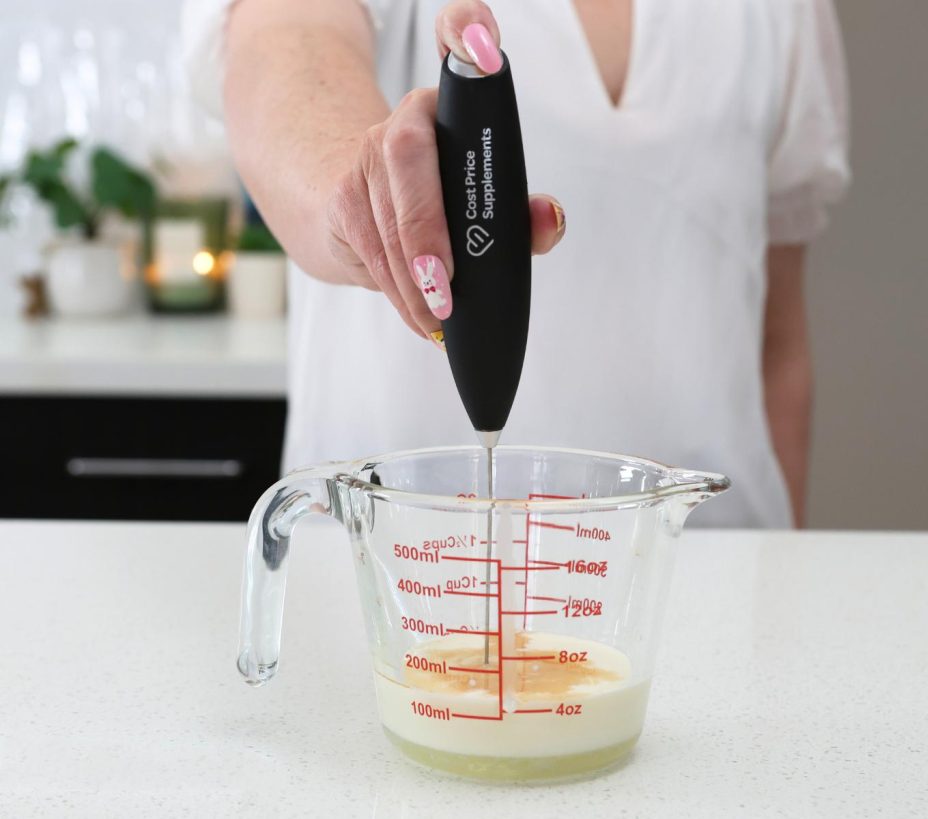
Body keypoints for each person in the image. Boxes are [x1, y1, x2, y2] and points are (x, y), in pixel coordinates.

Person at [182, 0, 850, 528]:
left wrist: (778, 585)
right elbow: (287, 51)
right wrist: (357, 191)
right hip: (401, 605)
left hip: (708, 581)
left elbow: (777, 339)